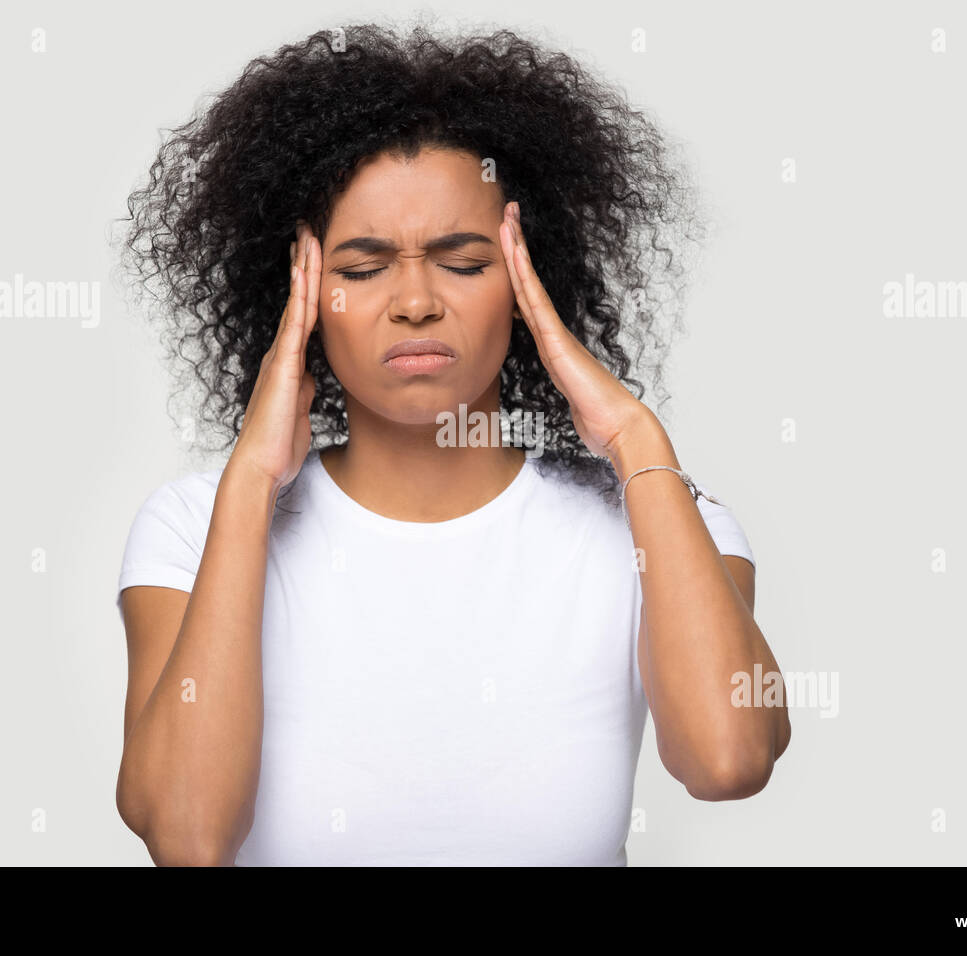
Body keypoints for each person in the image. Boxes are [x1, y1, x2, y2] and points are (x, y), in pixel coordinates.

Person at [113, 23, 790, 866]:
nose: (415, 302)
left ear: (530, 282)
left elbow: (729, 759)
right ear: (301, 296)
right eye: (362, 270)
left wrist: (634, 438)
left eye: (463, 263)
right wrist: (251, 481)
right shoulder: (193, 527)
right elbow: (188, 837)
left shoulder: (658, 520)